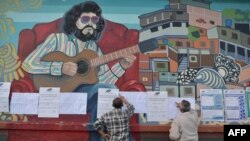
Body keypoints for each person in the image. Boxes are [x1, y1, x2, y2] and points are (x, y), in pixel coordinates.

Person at [21, 1, 136, 141]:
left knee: (105, 95)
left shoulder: (94, 49)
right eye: (85, 19)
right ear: (74, 21)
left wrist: (122, 66)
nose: (90, 24)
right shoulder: (58, 39)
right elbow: (28, 63)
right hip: (57, 95)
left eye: (94, 20)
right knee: (107, 93)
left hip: (84, 97)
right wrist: (60, 68)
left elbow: (102, 82)